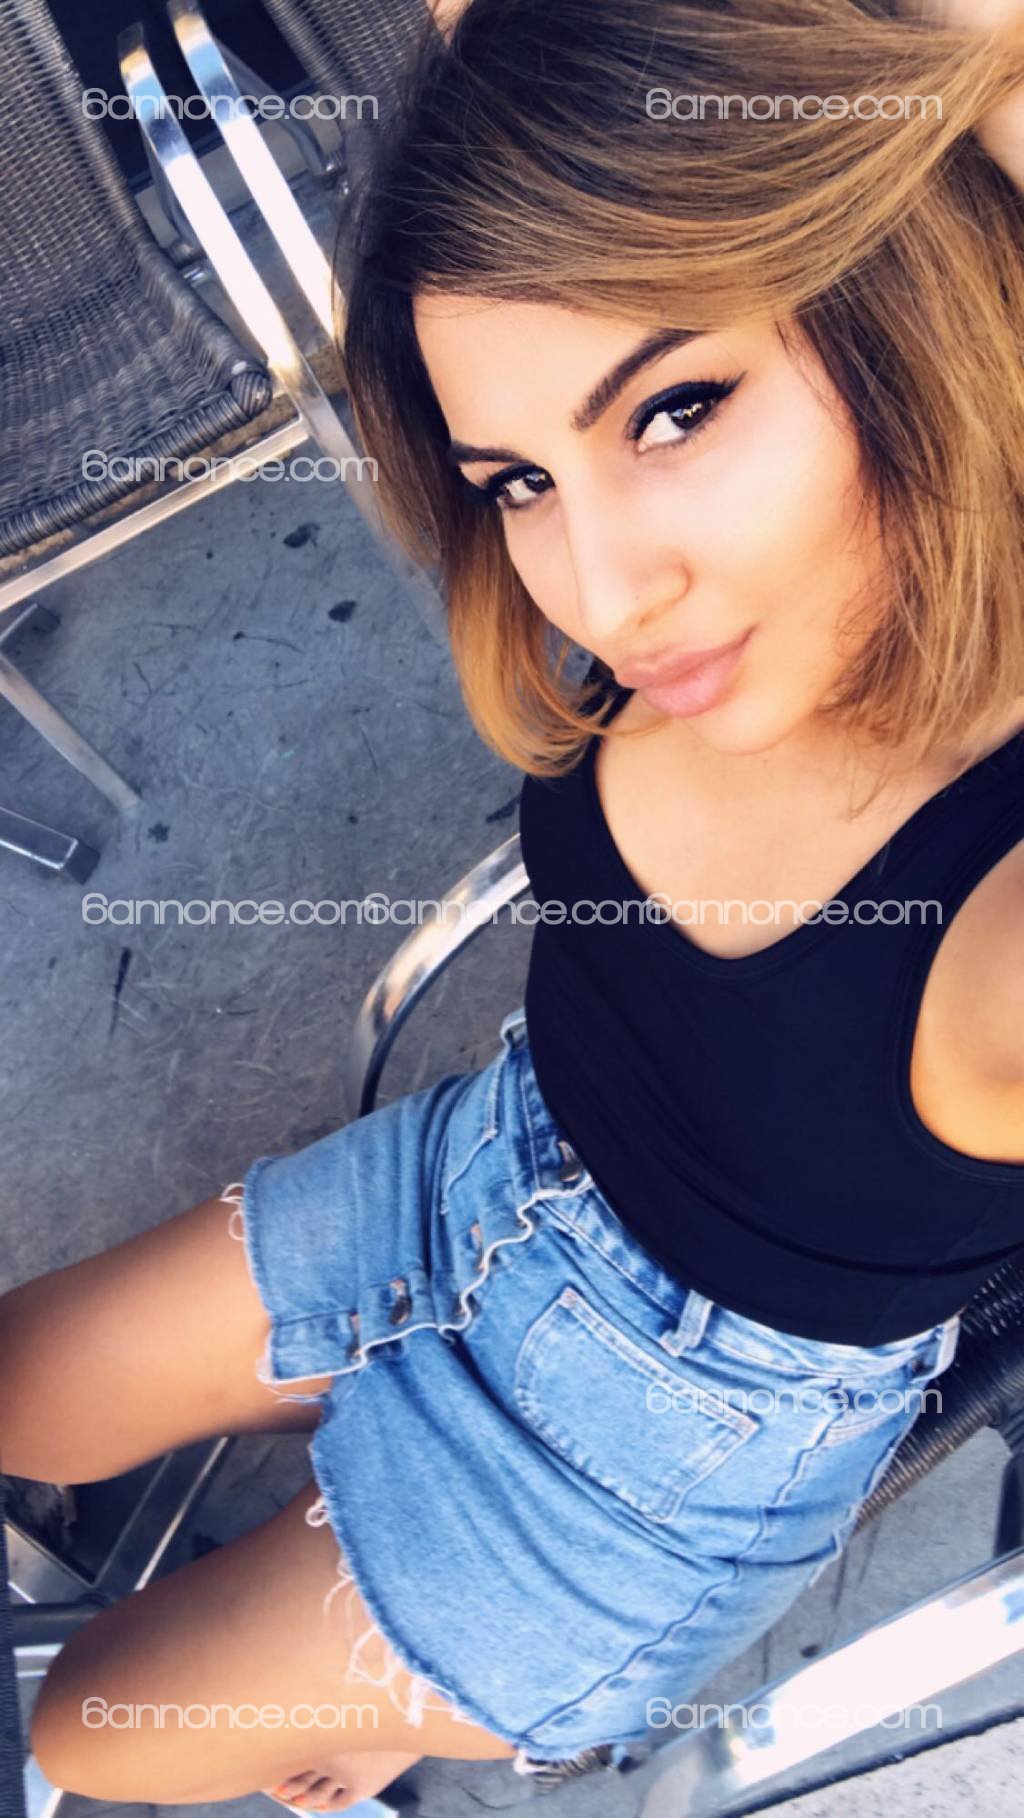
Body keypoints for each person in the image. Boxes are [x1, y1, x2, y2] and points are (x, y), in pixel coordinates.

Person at [4, 1, 1023, 1811]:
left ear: (911, 283)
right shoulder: (728, 603)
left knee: (85, 1724)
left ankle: (421, 1690)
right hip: (495, 1162)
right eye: (521, 481)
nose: (598, 590)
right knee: (21, 1384)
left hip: (645, 1471)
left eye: (676, 409)